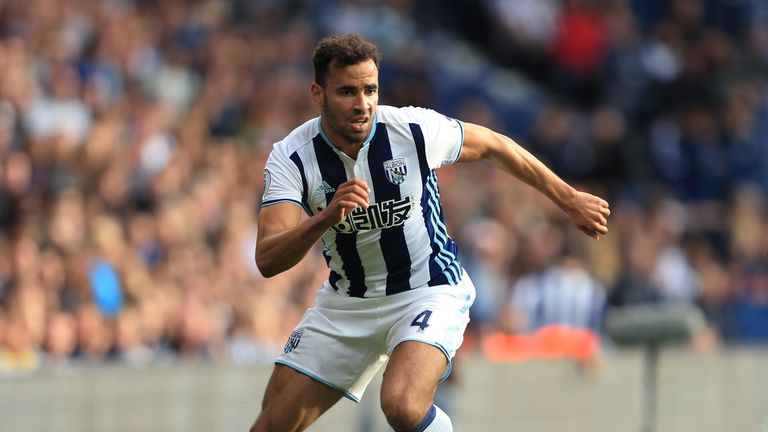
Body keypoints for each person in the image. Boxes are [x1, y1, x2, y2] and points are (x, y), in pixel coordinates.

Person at [252, 33, 610, 432]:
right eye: (347, 92)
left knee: (403, 405)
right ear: (317, 94)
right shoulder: (291, 156)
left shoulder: (412, 129)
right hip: (348, 301)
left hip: (428, 288)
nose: (362, 104)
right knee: (270, 426)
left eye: (370, 90)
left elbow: (494, 144)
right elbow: (268, 259)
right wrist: (324, 217)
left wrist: (569, 199)